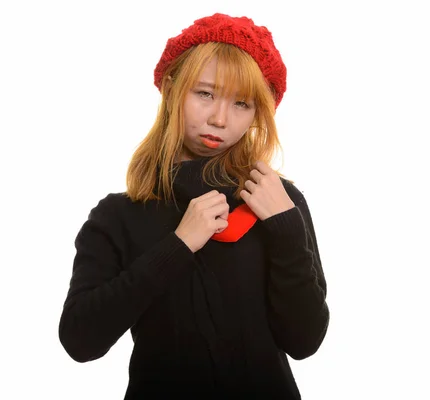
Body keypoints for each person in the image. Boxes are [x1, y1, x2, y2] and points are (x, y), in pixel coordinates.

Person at [58, 13, 329, 399]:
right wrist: (179, 244)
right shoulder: (119, 215)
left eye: (242, 103)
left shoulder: (278, 202)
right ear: (172, 88)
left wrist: (286, 227)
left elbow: (305, 342)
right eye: (205, 93)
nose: (219, 119)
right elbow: (80, 340)